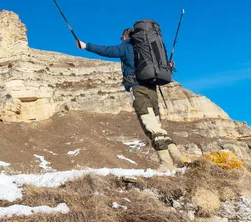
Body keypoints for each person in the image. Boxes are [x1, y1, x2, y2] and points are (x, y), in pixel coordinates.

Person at [77, 29, 185, 172]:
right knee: (157, 126)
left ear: (125, 36)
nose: (121, 40)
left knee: (150, 126)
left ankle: (166, 163)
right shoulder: (149, 48)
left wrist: (86, 46)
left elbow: (109, 51)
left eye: (121, 37)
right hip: (153, 90)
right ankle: (178, 158)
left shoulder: (127, 45)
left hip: (138, 89)